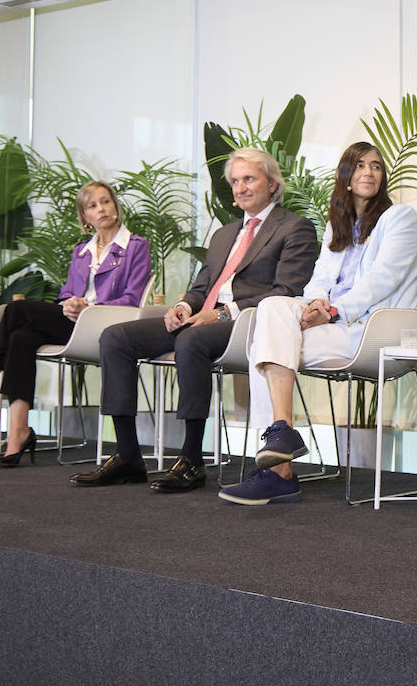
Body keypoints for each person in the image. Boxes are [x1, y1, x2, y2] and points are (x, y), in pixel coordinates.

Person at [70, 148, 318, 491]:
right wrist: (184, 306)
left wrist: (221, 313)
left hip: (247, 323)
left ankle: (191, 460)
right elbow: (201, 287)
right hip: (204, 318)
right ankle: (127, 455)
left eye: (249, 179)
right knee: (115, 338)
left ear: (273, 184)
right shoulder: (223, 234)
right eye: (234, 181)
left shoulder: (294, 227)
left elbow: (286, 291)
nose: (240, 188)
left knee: (191, 340)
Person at [217, 141, 417, 506]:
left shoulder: (399, 218)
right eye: (359, 166)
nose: (369, 173)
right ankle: (280, 437)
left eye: (376, 166)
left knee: (263, 347)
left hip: (369, 330)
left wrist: (333, 310)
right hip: (331, 322)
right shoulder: (337, 226)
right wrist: (314, 302)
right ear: (345, 176)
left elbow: (383, 278)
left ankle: (277, 466)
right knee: (273, 307)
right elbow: (319, 277)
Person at [0, 181, 151, 466]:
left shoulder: (136, 246)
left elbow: (133, 299)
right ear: (85, 217)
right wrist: (70, 303)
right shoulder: (81, 251)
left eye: (106, 201)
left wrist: (89, 305)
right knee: (20, 338)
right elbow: (65, 295)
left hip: (104, 327)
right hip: (74, 323)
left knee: (16, 310)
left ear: (116, 206)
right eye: (93, 205)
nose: (102, 209)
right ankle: (18, 432)